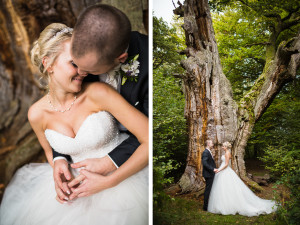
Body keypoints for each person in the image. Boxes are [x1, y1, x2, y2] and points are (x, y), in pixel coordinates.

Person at [0, 23, 148, 225]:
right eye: (73, 63)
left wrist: (108, 182)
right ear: (48, 64)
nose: (84, 70)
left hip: (124, 183)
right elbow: (51, 152)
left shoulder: (98, 92)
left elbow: (148, 138)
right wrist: (58, 165)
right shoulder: (36, 114)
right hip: (76, 193)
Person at [52, 4, 148, 203]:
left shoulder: (150, 65)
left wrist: (110, 163)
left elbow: (150, 135)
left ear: (121, 58)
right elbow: (61, 106)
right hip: (80, 163)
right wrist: (59, 156)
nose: (78, 74)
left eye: (87, 70)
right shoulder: (76, 45)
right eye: (74, 64)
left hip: (132, 159)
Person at [208, 142, 277, 216]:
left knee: (227, 187)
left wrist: (219, 170)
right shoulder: (226, 152)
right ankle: (222, 205)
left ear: (226, 147)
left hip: (225, 171)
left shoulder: (227, 153)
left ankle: (228, 206)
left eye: (223, 146)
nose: (222, 147)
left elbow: (226, 164)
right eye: (222, 146)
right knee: (223, 188)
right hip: (223, 171)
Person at [201, 139, 218, 211]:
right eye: (212, 143)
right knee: (208, 190)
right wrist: (212, 169)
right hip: (208, 174)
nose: (213, 144)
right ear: (208, 144)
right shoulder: (205, 152)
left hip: (210, 173)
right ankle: (205, 206)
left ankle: (209, 204)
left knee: (209, 189)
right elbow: (204, 163)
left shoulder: (208, 151)